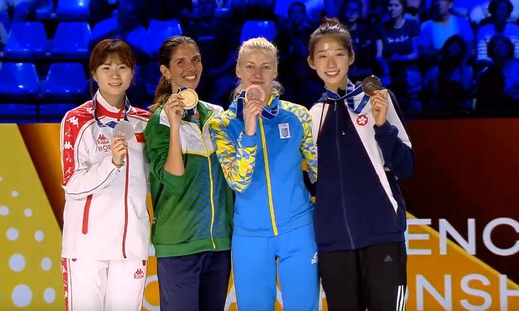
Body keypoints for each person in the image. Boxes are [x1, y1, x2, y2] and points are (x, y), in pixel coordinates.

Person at [307, 18, 415, 311]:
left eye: (338, 53)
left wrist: (382, 126)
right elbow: (309, 181)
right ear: (311, 62)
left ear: (351, 57)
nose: (331, 62)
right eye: (322, 55)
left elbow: (405, 167)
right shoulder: (310, 117)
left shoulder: (379, 100)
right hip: (334, 245)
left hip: (382, 235)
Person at [209, 37, 319, 311]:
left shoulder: (298, 116)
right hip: (250, 234)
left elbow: (321, 173)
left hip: (298, 229)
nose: (257, 74)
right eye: (249, 67)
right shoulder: (221, 125)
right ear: (237, 70)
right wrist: (249, 130)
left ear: (276, 70)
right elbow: (238, 181)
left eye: (265, 67)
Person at [59, 38, 151, 311]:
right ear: (94, 73)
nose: (115, 75)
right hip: (87, 249)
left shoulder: (144, 122)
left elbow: (151, 180)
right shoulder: (76, 120)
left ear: (132, 73)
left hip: (131, 247)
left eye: (122, 67)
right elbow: (72, 184)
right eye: (106, 68)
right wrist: (111, 163)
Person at [143, 35, 233, 311]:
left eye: (195, 60)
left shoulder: (217, 115)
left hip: (219, 245)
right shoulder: (157, 120)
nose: (190, 67)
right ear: (166, 71)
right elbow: (173, 181)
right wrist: (173, 126)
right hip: (180, 245)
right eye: (180, 62)